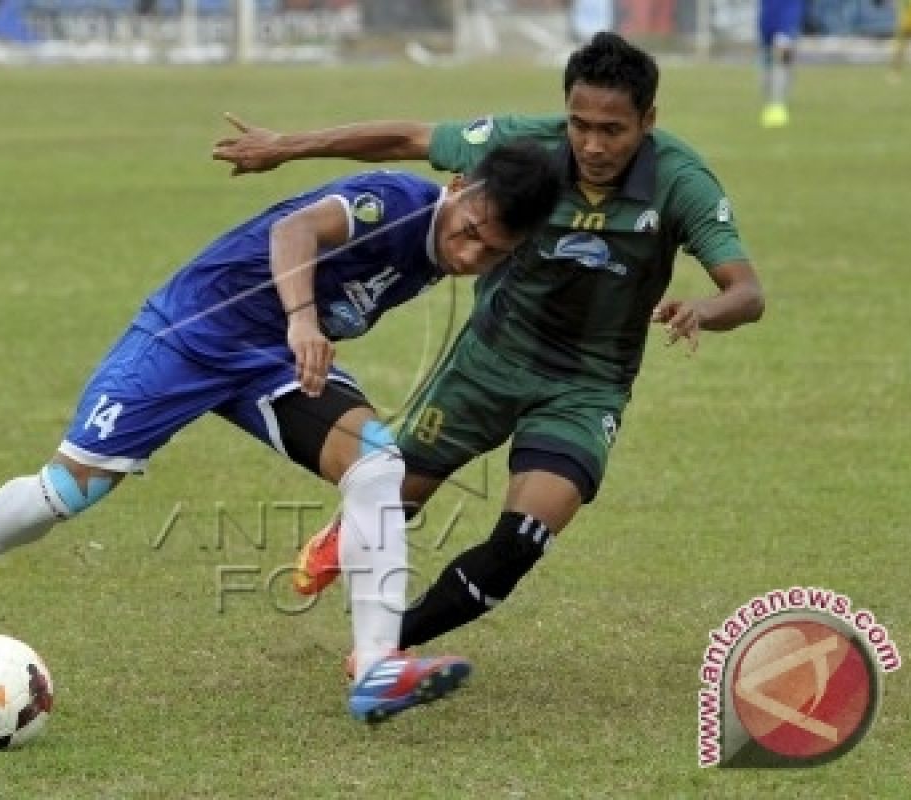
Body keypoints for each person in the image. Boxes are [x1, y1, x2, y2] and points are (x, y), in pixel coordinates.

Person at [0, 142, 563, 723]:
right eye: (468, 229)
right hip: (190, 333)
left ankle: (376, 667)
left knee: (378, 464)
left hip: (269, 362)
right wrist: (301, 319)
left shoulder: (452, 251)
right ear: (456, 187)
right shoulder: (399, 204)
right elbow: (291, 233)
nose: (469, 252)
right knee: (66, 492)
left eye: (491, 250)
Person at [212, 31, 765, 660]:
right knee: (386, 505)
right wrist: (287, 146)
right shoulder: (530, 146)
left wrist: (704, 310)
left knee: (521, 543)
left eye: (612, 130)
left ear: (648, 121)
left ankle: (386, 648)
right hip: (488, 362)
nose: (592, 144)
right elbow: (410, 139)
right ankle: (345, 539)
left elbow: (746, 291)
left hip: (587, 388)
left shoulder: (680, 180)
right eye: (580, 125)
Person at [757, 0, 803, 128]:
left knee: (783, 53)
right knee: (767, 57)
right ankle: (769, 102)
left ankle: (778, 104)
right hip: (768, 14)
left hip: (787, 12)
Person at [889, 0, 911, 81]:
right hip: (908, 22)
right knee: (901, 49)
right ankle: (895, 73)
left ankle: (895, 73)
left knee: (901, 48)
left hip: (908, 21)